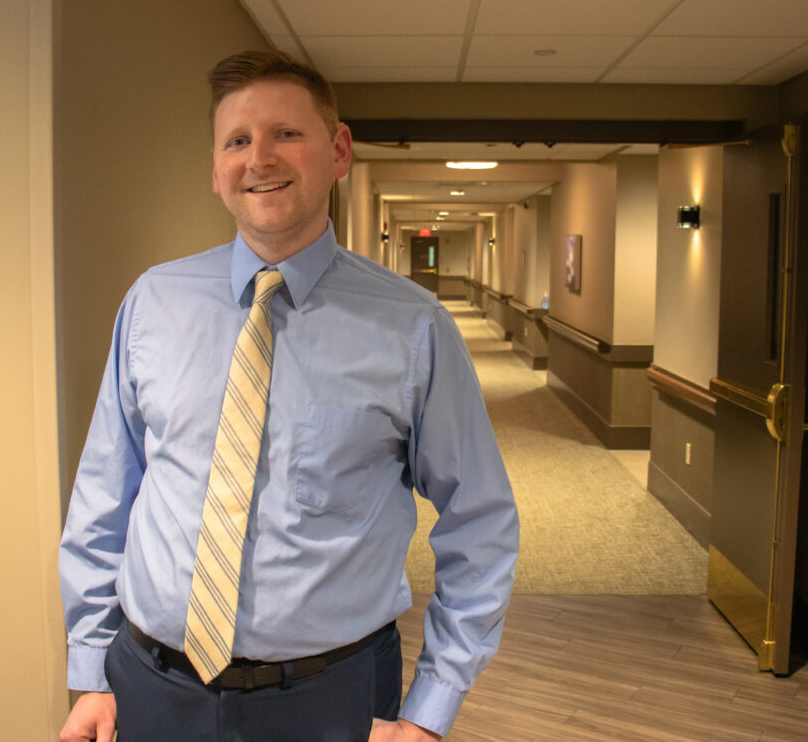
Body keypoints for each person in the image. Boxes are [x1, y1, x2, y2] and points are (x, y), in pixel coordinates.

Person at [58, 50, 519, 742]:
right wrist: (91, 668)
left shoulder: (413, 327)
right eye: (237, 141)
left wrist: (430, 712)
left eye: (286, 134)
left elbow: (480, 522)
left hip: (331, 699)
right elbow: (105, 493)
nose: (259, 158)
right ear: (215, 171)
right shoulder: (154, 303)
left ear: (338, 152)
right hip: (149, 688)